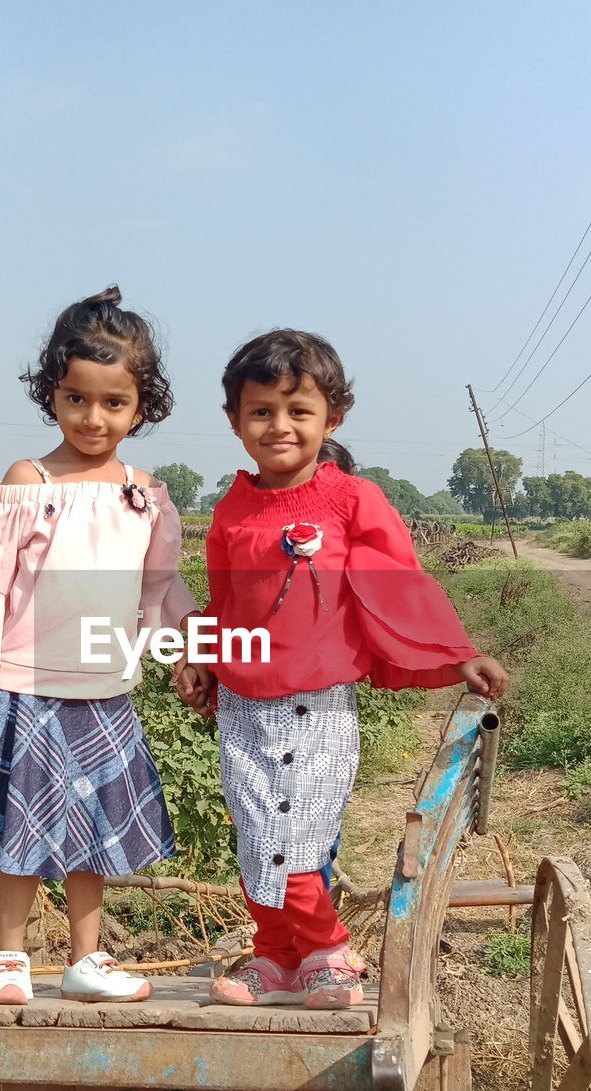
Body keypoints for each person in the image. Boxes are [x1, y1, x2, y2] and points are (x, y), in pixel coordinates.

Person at [180, 329, 508, 1009]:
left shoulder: (352, 501)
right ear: (235, 421)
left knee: (296, 839)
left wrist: (458, 653)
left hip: (319, 707)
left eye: (299, 411)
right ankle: (273, 957)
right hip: (244, 705)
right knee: (255, 837)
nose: (280, 426)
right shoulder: (231, 510)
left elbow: (400, 584)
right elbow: (223, 600)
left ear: (332, 418)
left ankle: (329, 955)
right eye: (261, 411)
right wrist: (203, 658)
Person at [0, 286, 197, 1006]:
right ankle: (11, 958)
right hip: (23, 683)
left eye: (114, 403)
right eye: (77, 398)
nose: (93, 417)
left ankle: (87, 960)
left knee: (93, 836)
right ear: (52, 392)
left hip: (104, 689)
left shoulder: (145, 496)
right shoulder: (32, 482)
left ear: (143, 405)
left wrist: (194, 649)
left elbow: (163, 590)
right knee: (23, 833)